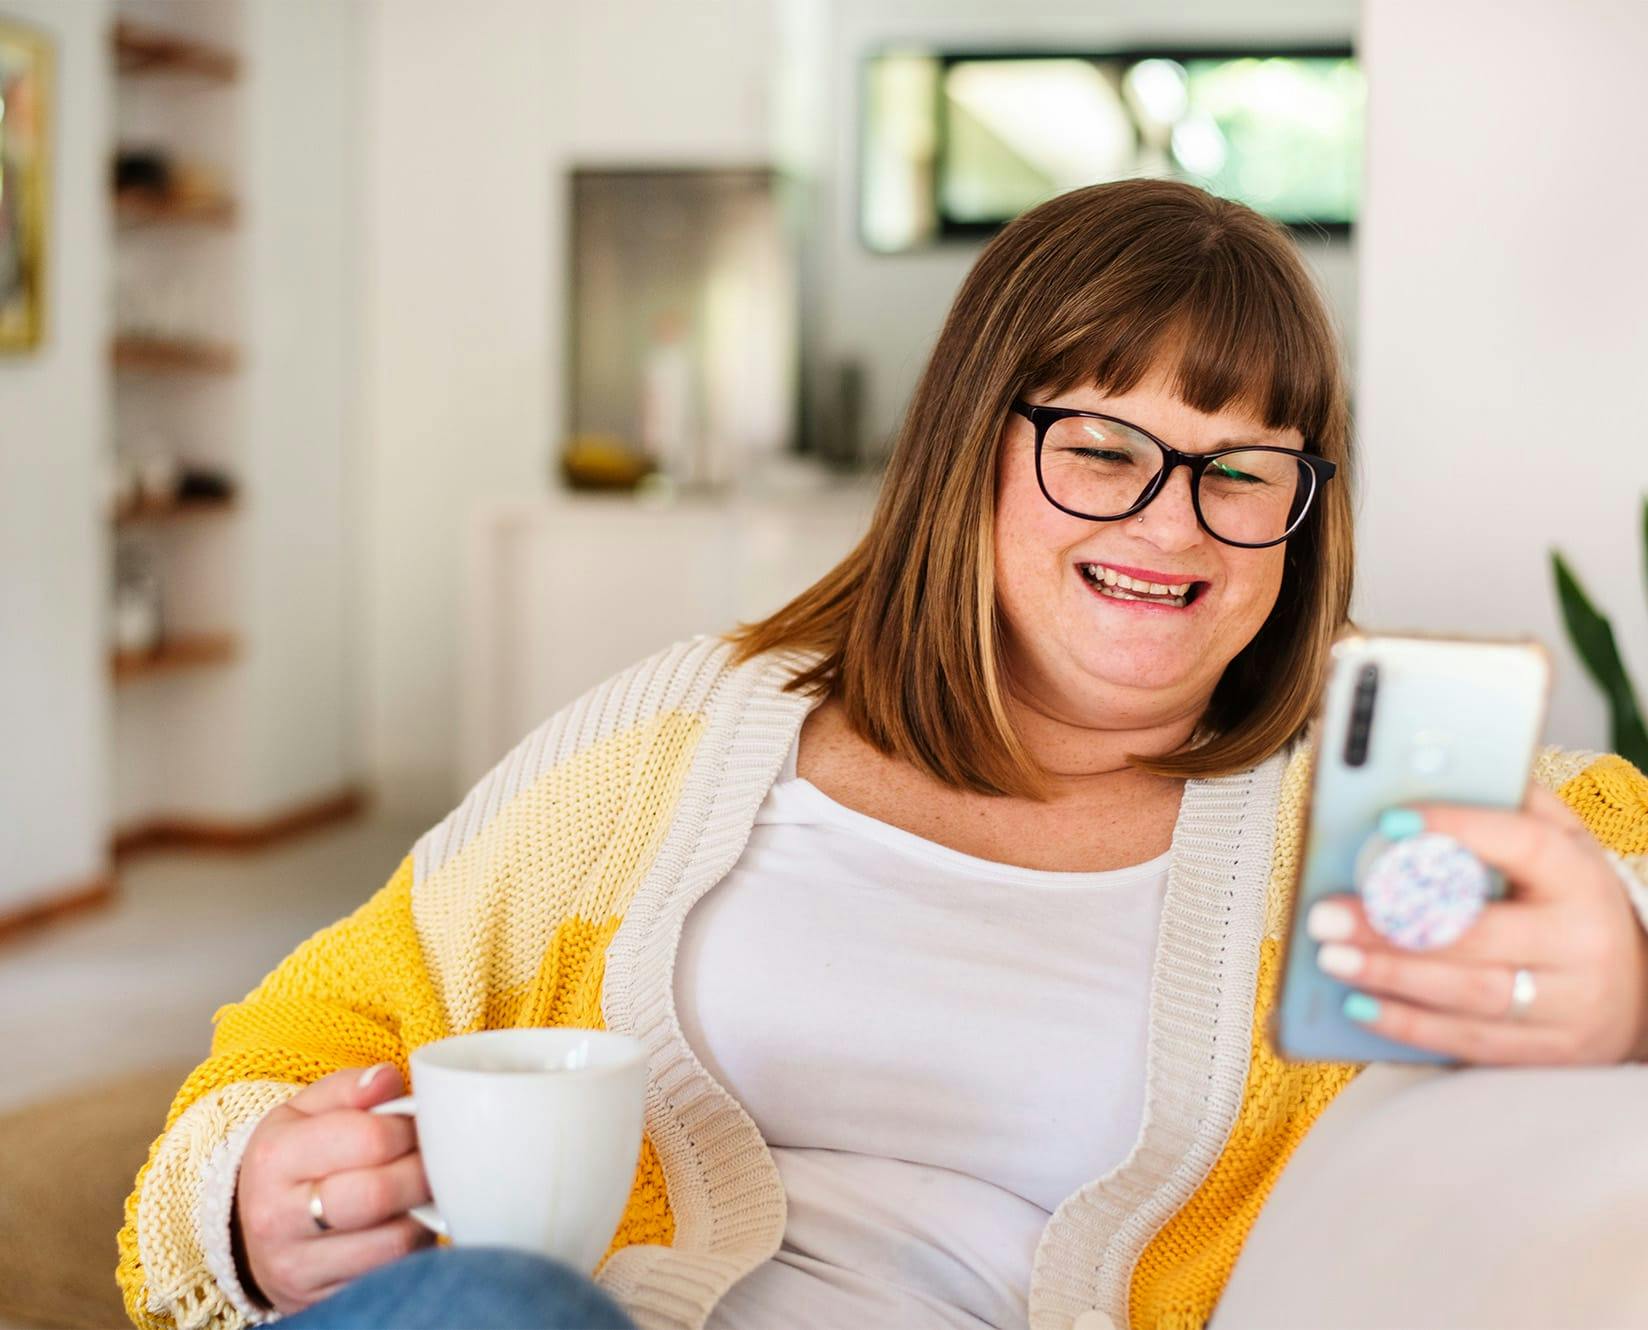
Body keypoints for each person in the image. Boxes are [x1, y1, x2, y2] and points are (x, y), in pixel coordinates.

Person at [117, 179, 1648, 1330]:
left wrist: (1628, 979)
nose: (1171, 522)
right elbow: (314, 1023)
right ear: (966, 448)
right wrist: (253, 1206)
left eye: (1243, 469)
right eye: (1103, 447)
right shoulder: (682, 736)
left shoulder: (1391, 808)